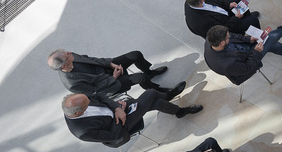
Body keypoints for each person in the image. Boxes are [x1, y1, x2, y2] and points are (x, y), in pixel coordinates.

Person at [48, 49, 185, 105]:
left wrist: (111, 64)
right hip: (109, 85)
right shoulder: (72, 83)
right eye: (68, 55)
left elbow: (92, 59)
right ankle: (162, 93)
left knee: (135, 54)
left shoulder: (71, 56)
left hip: (108, 69)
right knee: (140, 78)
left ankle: (150, 72)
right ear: (64, 65)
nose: (71, 53)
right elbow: (95, 91)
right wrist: (113, 77)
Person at [62, 92, 202, 145]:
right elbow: (113, 135)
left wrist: (117, 108)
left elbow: (99, 96)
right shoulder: (82, 131)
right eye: (87, 105)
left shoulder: (76, 100)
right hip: (120, 128)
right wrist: (120, 114)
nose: (89, 101)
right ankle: (172, 101)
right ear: (78, 113)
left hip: (118, 109)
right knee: (151, 93)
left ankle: (176, 108)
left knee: (156, 102)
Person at [204, 24, 282, 85]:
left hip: (243, 51)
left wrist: (248, 39)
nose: (229, 37)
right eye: (227, 37)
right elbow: (247, 68)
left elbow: (233, 36)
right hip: (248, 62)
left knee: (268, 43)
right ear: (222, 43)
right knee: (270, 39)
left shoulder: (210, 39)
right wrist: (256, 52)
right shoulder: (227, 64)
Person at [183, 0, 260, 39]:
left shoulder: (192, 1)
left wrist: (228, 5)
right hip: (226, 28)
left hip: (222, 15)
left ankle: (246, 16)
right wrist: (236, 18)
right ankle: (257, 39)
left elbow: (215, 2)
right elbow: (223, 30)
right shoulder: (203, 22)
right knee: (253, 20)